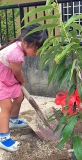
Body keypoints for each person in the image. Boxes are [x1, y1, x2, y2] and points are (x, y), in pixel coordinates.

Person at [0, 23, 48, 152]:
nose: (37, 53)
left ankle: (13, 121)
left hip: (7, 78)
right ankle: (3, 138)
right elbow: (17, 73)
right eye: (36, 49)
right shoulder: (16, 54)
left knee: (19, 97)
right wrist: (23, 81)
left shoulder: (20, 47)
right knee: (6, 107)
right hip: (1, 80)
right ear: (25, 43)